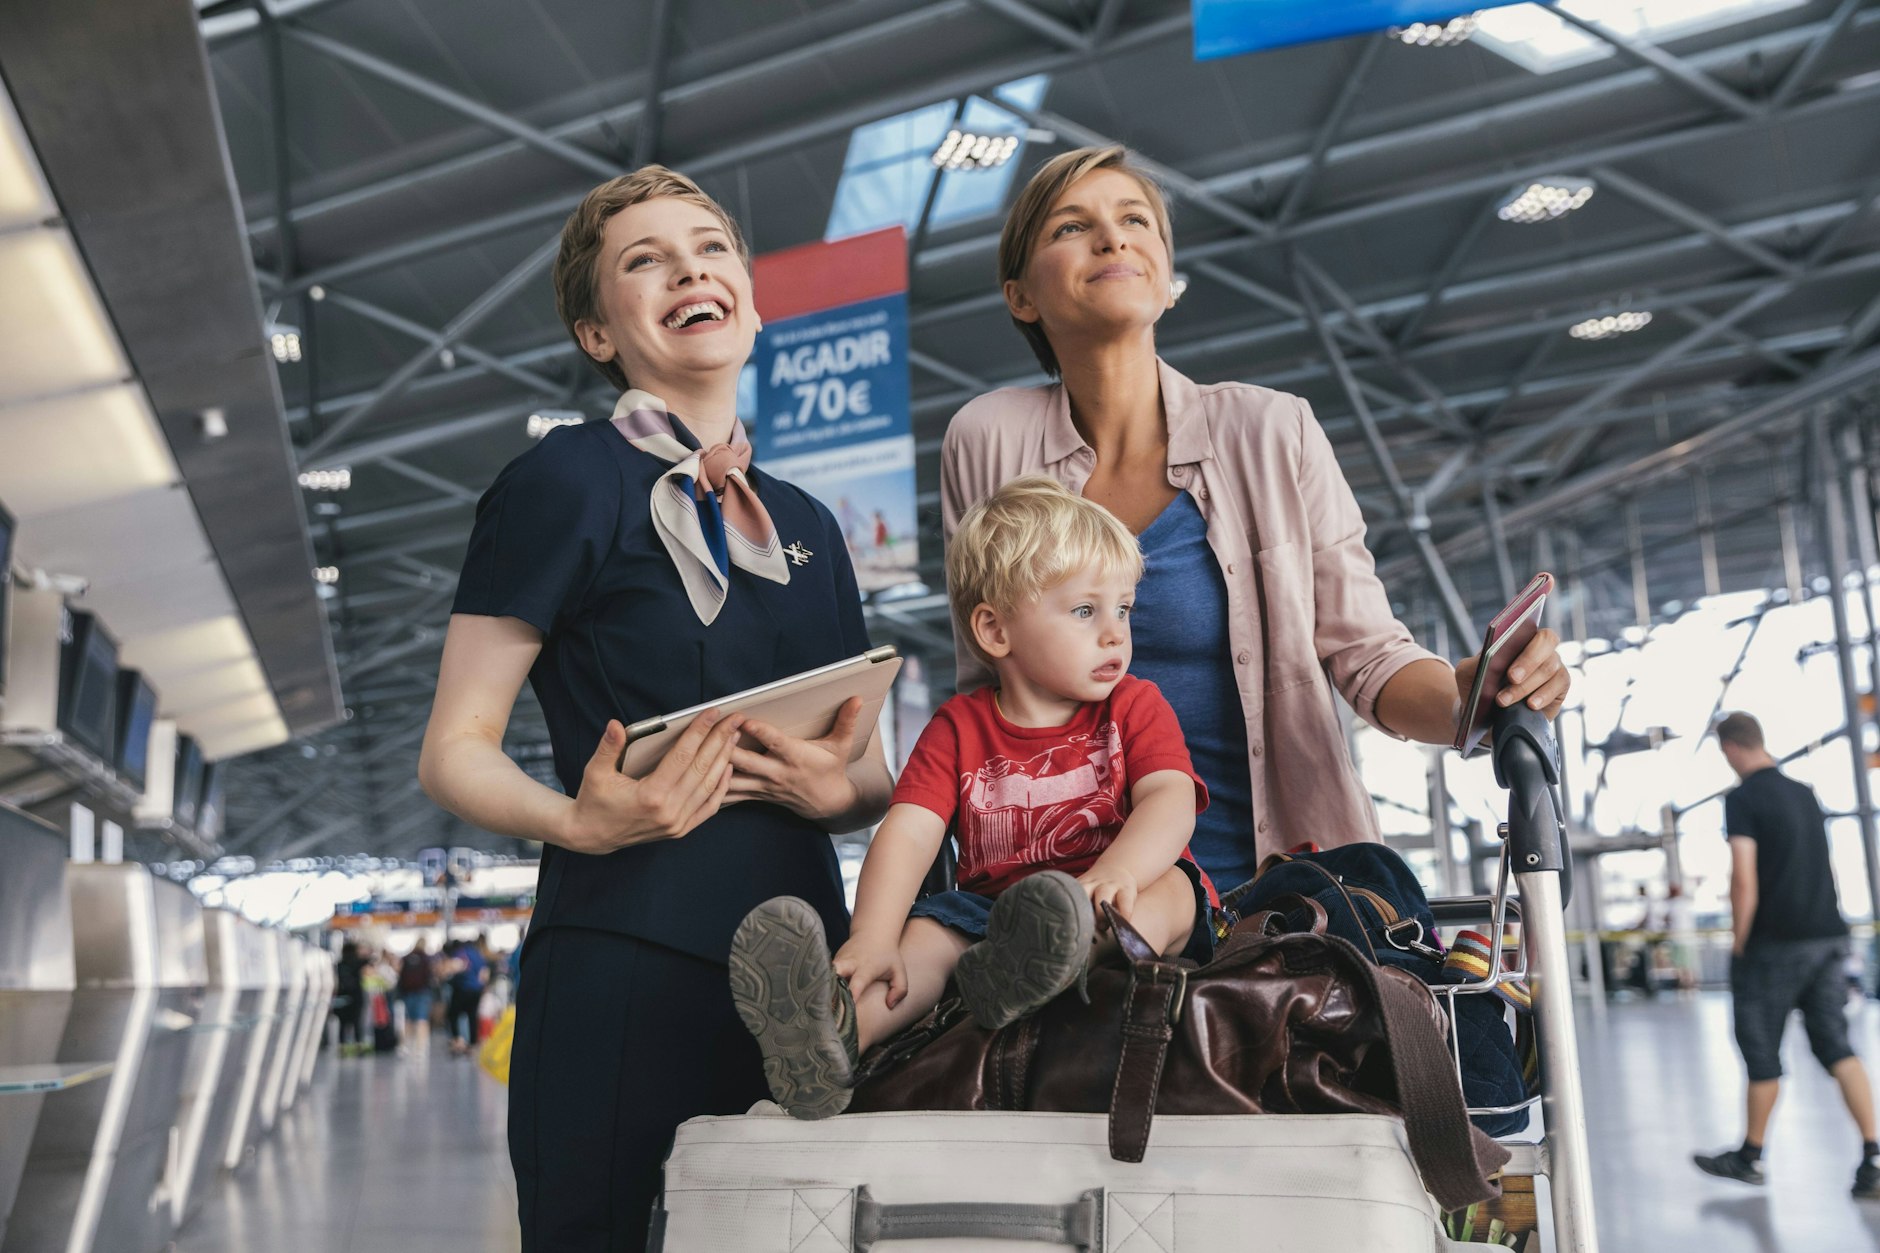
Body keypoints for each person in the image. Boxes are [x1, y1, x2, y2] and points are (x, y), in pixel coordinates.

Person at [418, 165, 892, 1249]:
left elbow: (865, 770)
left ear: (752, 306)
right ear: (598, 333)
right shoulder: (564, 481)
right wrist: (578, 819)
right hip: (624, 953)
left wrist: (839, 791)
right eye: (645, 260)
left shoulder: (808, 524)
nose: (689, 269)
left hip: (807, 978)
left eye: (711, 248)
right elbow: (453, 748)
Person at [940, 146, 1570, 894]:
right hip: (1056, 892)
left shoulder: (1274, 430)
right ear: (1020, 298)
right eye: (1072, 227)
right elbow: (983, 681)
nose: (1111, 238)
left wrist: (1470, 698)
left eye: (1135, 220)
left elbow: (1368, 655)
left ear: (1165, 276)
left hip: (1267, 889)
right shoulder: (989, 439)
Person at [732, 478, 1216, 1118]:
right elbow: (907, 834)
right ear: (994, 629)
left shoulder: (1134, 706)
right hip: (997, 921)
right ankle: (834, 1037)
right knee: (928, 936)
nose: (1114, 634)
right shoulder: (957, 727)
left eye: (1122, 609)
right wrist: (872, 936)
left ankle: (1062, 956)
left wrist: (1118, 872)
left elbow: (1169, 799)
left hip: (1115, 899)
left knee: (1175, 889)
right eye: (1085, 611)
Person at [1692, 712, 1878, 1199]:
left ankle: (1750, 1158)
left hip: (1774, 943)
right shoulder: (1804, 793)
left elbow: (1743, 876)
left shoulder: (1743, 798)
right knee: (1837, 1046)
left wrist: (1740, 942)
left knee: (1761, 1052)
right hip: (1827, 936)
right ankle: (1874, 1156)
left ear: (1730, 748)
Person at [444, 937, 487, 1058]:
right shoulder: (478, 954)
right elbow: (484, 975)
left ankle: (458, 1042)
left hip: (462, 989)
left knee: (453, 1015)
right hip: (476, 990)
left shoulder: (460, 953)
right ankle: (472, 1044)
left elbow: (455, 967)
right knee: (472, 1017)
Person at [397, 938, 436, 1057]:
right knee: (422, 1020)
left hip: (408, 992)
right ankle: (421, 1048)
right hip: (423, 992)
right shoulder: (426, 959)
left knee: (408, 1020)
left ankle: (405, 1046)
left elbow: (401, 976)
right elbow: (430, 976)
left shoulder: (406, 958)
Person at [333, 940, 366, 1058]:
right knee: (357, 1022)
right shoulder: (358, 962)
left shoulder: (339, 964)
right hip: (356, 995)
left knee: (342, 1023)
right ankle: (359, 1046)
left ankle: (342, 1047)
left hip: (342, 996)